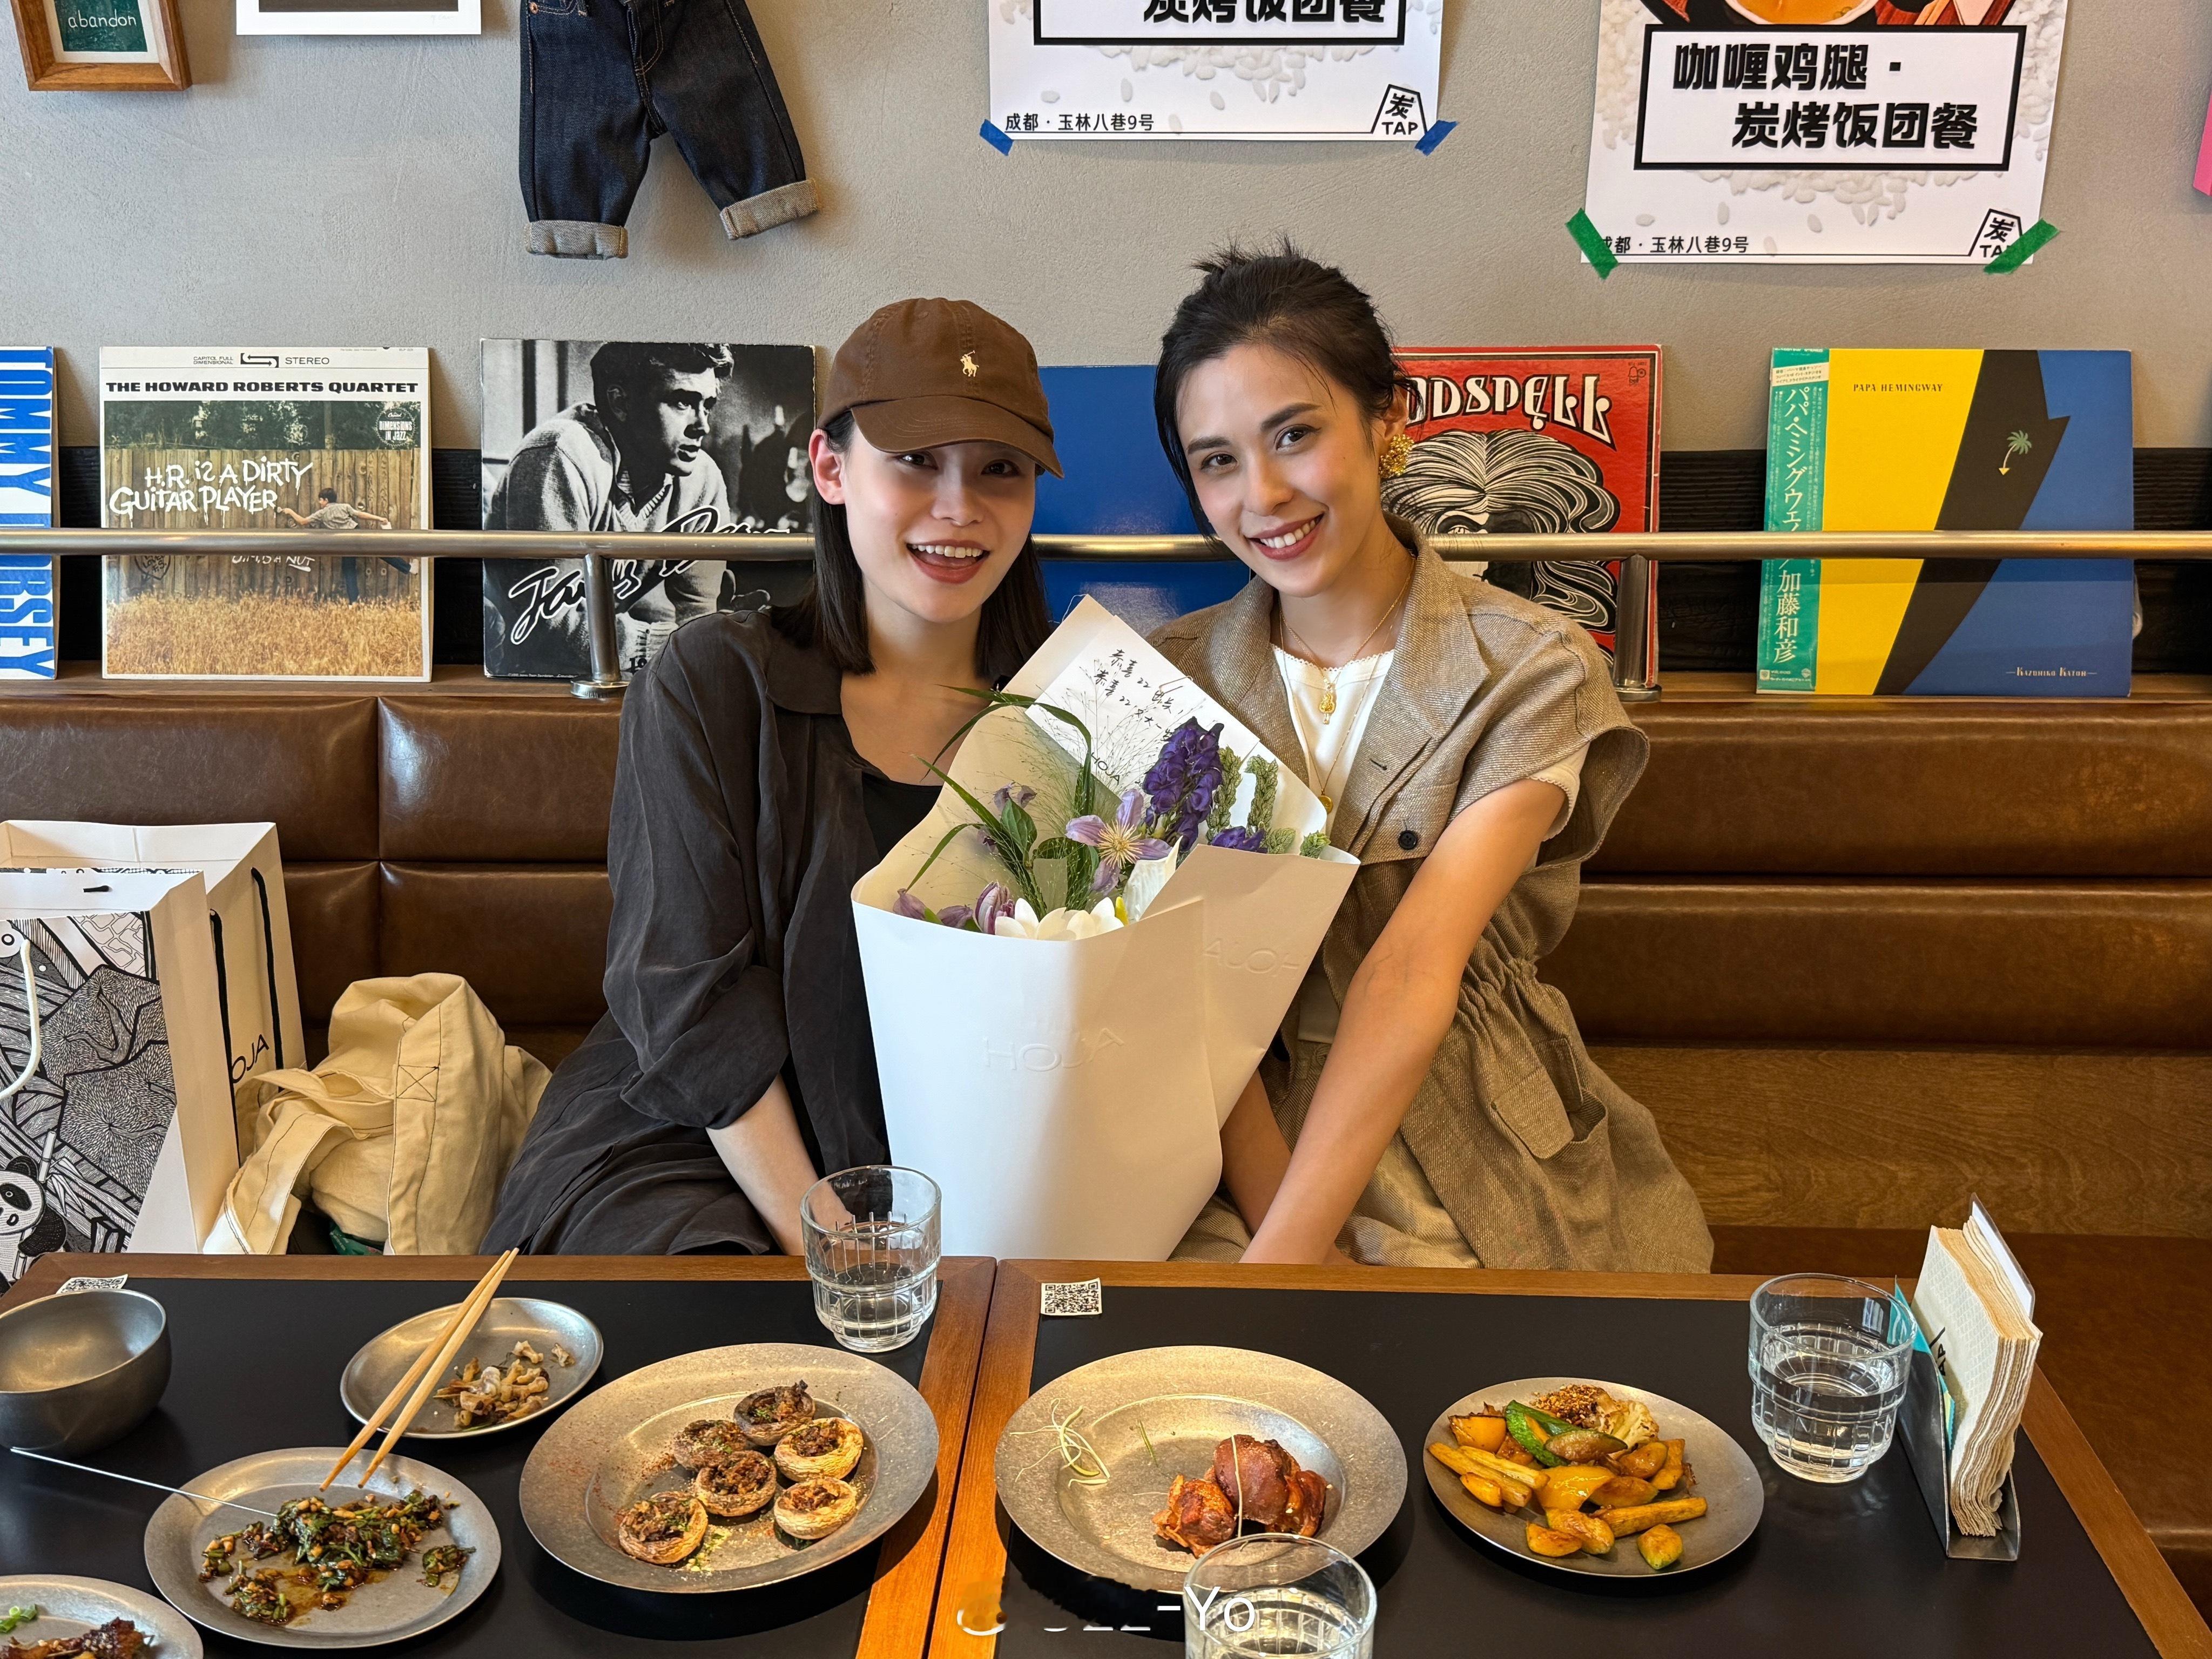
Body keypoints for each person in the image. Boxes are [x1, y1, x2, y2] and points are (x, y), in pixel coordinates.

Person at [1151, 245, 1711, 1272]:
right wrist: (1286, 1247)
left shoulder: (1529, 666)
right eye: (1217, 460)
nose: (1263, 493)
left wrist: (1282, 1269)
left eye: (1295, 434)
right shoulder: (1166, 678)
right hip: (1224, 1137)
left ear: (1388, 420)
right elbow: (1175, 992)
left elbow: (1412, 969)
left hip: (1465, 1128)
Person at [482, 300, 1058, 1255]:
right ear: (831, 469)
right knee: (703, 1313)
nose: (960, 507)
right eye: (916, 460)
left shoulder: (1070, 715)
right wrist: (831, 1244)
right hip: (700, 1133)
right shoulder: (714, 678)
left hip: (958, 1146)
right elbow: (686, 995)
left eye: (1000, 468)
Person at [278, 488, 392, 531]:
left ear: (326, 500)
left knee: (348, 566)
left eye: (321, 500)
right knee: (378, 550)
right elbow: (361, 515)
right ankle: (403, 567)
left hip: (342, 540)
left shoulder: (322, 513)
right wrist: (379, 518)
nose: (320, 502)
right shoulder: (345, 507)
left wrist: (290, 511)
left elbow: (302, 521)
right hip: (355, 533)